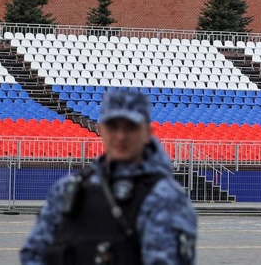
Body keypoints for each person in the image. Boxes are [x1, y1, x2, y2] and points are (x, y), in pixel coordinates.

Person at [21, 87, 198, 265]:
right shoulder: (69, 189)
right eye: (113, 126)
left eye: (130, 127)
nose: (120, 136)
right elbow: (34, 253)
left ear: (147, 133)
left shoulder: (167, 198)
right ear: (102, 130)